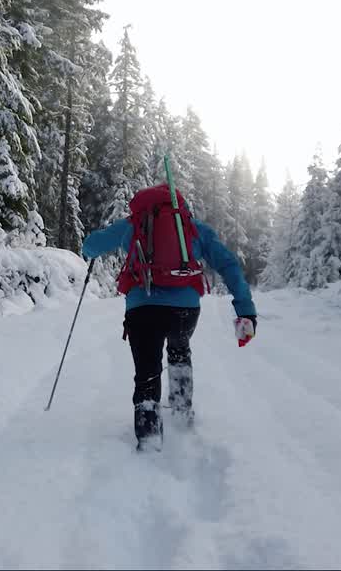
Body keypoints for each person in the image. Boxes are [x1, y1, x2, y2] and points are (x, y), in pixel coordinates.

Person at [82, 183, 257, 450]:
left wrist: (96, 245)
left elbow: (90, 246)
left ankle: (150, 437)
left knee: (147, 372)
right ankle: (181, 412)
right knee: (179, 350)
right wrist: (245, 308)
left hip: (142, 309)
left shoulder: (132, 224)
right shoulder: (192, 227)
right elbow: (228, 263)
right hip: (185, 311)